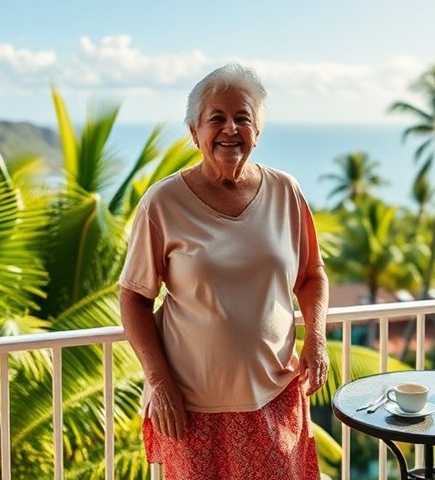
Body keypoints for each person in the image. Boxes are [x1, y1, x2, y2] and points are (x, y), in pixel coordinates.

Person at [118, 63, 329, 480]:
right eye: (216, 118)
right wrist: (159, 382)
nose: (230, 128)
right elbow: (133, 297)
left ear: (257, 131)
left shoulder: (286, 191)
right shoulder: (162, 204)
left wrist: (316, 339)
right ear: (195, 132)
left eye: (243, 118)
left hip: (274, 398)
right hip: (191, 410)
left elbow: (312, 275)